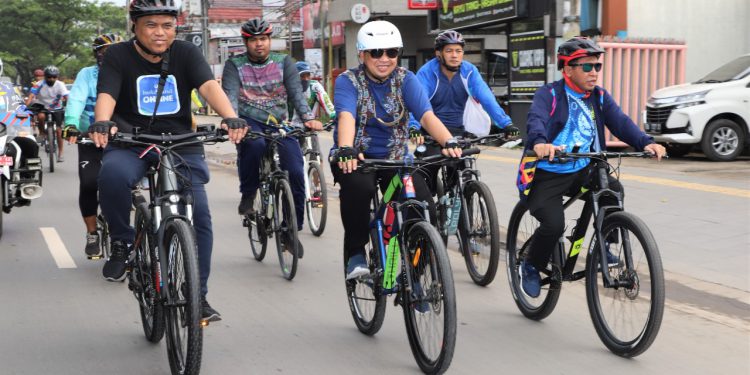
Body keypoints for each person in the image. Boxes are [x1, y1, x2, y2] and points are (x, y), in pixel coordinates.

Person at [90, 0, 248, 322]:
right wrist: (102, 121)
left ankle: (197, 297)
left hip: (180, 143)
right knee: (112, 177)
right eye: (151, 25)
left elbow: (208, 86)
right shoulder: (117, 56)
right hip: (131, 142)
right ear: (134, 26)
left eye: (167, 25)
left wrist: (231, 117)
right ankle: (122, 242)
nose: (160, 33)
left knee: (200, 216)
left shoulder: (186, 53)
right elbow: (107, 92)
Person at [517, 36, 666, 298]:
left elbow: (620, 122)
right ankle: (530, 265)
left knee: (612, 189)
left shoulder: (599, 97)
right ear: (567, 69)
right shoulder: (549, 93)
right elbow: (536, 121)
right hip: (545, 173)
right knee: (553, 224)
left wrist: (646, 142)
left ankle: (604, 243)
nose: (594, 72)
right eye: (587, 67)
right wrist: (540, 143)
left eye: (597, 66)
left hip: (582, 169)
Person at [330, 20, 461, 280]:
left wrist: (449, 141)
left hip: (397, 160)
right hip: (358, 158)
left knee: (425, 208)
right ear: (362, 55)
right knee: (360, 189)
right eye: (376, 52)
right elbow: (346, 116)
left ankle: (414, 272)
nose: (384, 59)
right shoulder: (348, 81)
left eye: (391, 52)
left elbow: (426, 116)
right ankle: (356, 251)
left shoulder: (406, 79)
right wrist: (345, 147)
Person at [222, 18, 322, 258]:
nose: (259, 44)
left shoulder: (284, 62)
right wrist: (232, 120)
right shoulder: (234, 64)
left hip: (279, 122)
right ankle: (248, 194)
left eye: (264, 39)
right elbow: (230, 96)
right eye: (254, 40)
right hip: (249, 121)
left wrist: (307, 117)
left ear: (269, 40)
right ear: (247, 42)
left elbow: (296, 93)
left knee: (296, 171)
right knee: (254, 146)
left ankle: (292, 229)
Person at [411, 29, 519, 193]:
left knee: (462, 180)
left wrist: (506, 124)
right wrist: (413, 128)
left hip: (460, 133)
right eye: (449, 51)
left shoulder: (469, 71)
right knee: (425, 183)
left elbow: (487, 98)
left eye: (458, 51)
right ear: (438, 53)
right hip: (431, 134)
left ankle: (462, 204)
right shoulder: (427, 73)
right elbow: (417, 103)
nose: (454, 55)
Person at [62, 33, 123, 258]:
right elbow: (77, 99)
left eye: (115, 52)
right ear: (96, 54)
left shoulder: (129, 70)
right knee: (89, 184)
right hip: (91, 137)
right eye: (104, 52)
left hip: (124, 137)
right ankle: (92, 233)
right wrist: (70, 124)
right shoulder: (87, 75)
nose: (109, 57)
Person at [25, 65, 68, 161]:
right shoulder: (38, 84)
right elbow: (31, 96)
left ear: (57, 77)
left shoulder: (60, 84)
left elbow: (66, 96)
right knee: (40, 116)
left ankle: (60, 153)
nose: (51, 79)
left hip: (57, 108)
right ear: (45, 76)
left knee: (58, 130)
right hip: (42, 107)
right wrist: (25, 106)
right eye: (49, 77)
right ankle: (42, 133)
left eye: (54, 77)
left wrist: (70, 106)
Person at [290, 60, 336, 126]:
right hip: (288, 130)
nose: (306, 79)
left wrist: (334, 115)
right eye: (302, 76)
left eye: (308, 75)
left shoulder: (314, 86)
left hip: (309, 128)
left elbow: (326, 100)